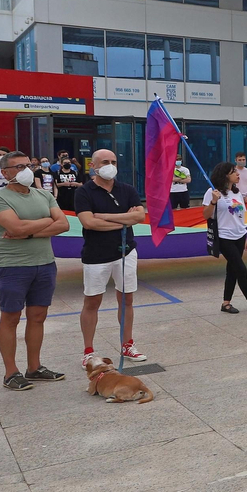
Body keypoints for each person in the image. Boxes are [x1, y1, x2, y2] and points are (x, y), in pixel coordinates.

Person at [0, 151, 71, 391]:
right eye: (19, 167)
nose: (26, 170)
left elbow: (63, 224)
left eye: (28, 165)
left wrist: (28, 232)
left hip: (44, 263)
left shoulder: (43, 194)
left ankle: (34, 367)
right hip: (13, 266)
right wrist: (46, 221)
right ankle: (10, 373)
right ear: (5, 173)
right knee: (10, 317)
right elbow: (16, 227)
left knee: (37, 316)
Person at [74, 148, 147, 368]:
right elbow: (89, 223)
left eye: (114, 161)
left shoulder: (127, 190)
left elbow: (140, 216)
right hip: (97, 255)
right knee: (92, 302)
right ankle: (88, 351)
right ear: (93, 166)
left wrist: (105, 216)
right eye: (105, 161)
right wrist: (125, 219)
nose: (110, 165)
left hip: (125, 251)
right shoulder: (84, 192)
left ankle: (127, 344)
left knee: (126, 299)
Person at [204, 160, 247, 313]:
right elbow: (206, 215)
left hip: (239, 235)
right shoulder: (212, 192)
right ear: (225, 176)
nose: (238, 174)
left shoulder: (237, 192)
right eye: (233, 172)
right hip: (225, 237)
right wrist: (213, 201)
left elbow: (240, 217)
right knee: (240, 269)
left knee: (232, 270)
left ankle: (226, 303)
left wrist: (245, 237)